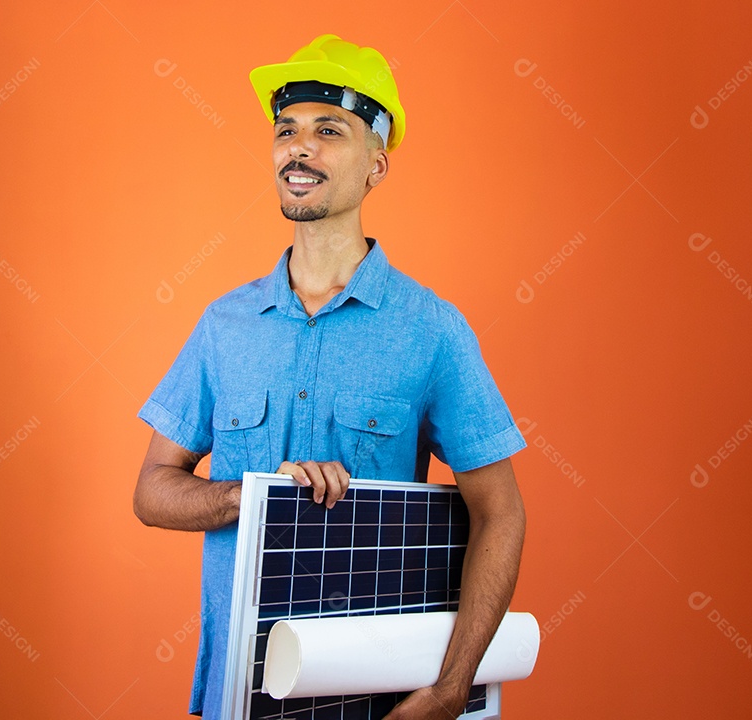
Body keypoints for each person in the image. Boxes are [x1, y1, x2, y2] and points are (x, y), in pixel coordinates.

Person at [133, 34, 527, 720]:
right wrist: (255, 497)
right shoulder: (226, 324)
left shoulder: (431, 329)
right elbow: (151, 492)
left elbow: (501, 512)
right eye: (286, 130)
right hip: (238, 686)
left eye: (327, 130)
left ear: (377, 165)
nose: (298, 147)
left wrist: (451, 687)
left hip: (373, 688)